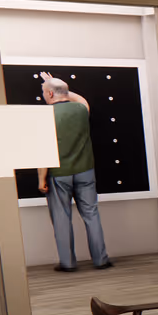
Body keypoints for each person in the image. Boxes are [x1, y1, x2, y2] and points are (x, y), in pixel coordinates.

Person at [36, 72, 111, 272]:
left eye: (44, 92)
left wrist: (41, 178)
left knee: (61, 219)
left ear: (50, 94)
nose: (43, 96)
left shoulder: (44, 116)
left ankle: (68, 263)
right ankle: (101, 260)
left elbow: (43, 152)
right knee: (91, 214)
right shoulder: (80, 109)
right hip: (85, 171)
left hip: (58, 174)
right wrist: (61, 87)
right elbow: (80, 99)